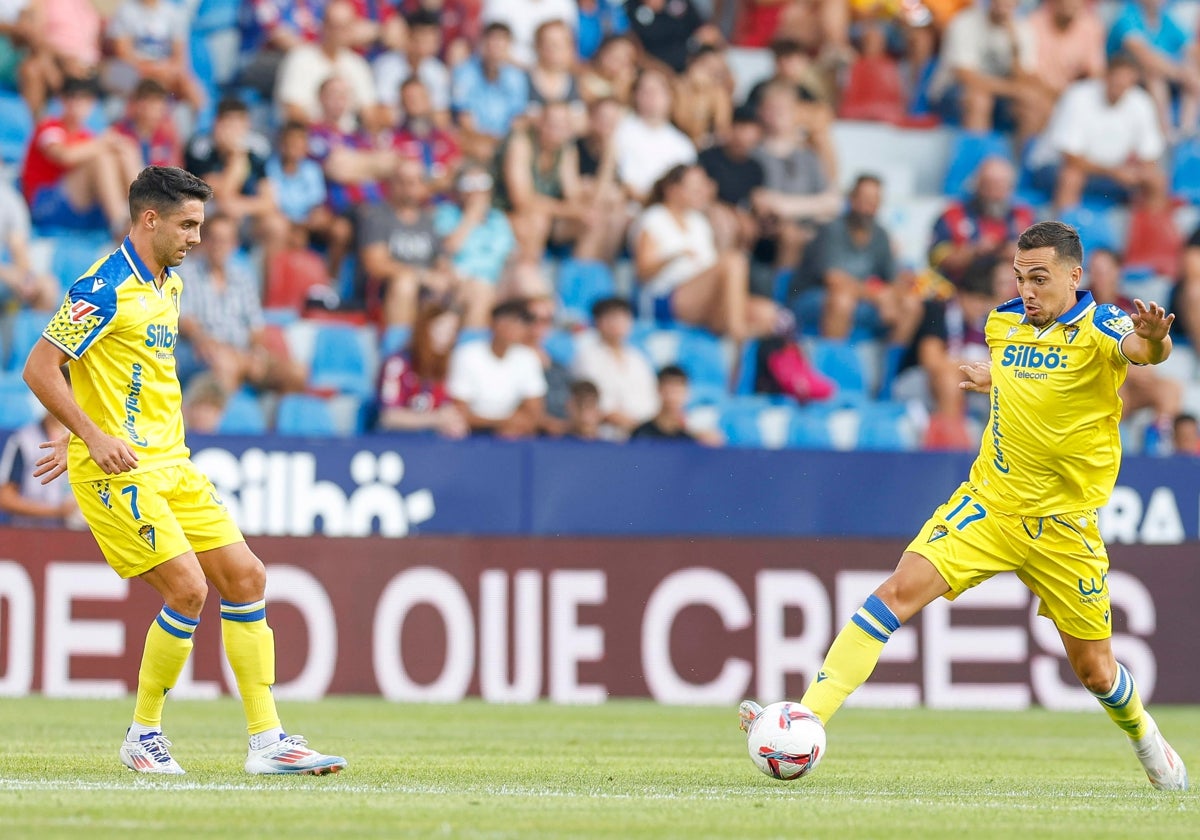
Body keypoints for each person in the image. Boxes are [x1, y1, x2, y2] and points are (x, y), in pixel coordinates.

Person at [741, 221, 1188, 792]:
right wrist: (996, 376)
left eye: (1041, 278)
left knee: (1095, 672)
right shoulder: (1003, 322)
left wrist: (1154, 338)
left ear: (1075, 278)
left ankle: (1146, 739)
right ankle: (804, 721)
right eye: (1021, 277)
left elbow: (1142, 351)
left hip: (1064, 526)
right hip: (989, 504)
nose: (1028, 290)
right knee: (894, 594)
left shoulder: (1102, 324)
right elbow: (1031, 372)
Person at [22, 165, 346, 775]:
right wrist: (90, 436)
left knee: (247, 578)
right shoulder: (102, 287)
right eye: (187, 224)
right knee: (189, 589)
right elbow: (40, 367)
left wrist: (87, 428)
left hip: (172, 461)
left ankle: (268, 742)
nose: (197, 237)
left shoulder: (167, 282)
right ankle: (142, 735)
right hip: (120, 472)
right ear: (149, 219)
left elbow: (120, 378)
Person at [632, 164, 783, 341]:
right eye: (695, 189)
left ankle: (740, 355)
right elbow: (643, 273)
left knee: (767, 313)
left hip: (704, 298)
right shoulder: (654, 218)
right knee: (734, 261)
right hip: (667, 298)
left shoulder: (698, 222)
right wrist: (675, 256)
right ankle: (737, 332)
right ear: (672, 190)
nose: (702, 193)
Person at [175, 213, 308, 394]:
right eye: (214, 239)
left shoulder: (243, 278)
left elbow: (256, 325)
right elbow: (185, 320)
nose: (218, 246)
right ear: (203, 241)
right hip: (204, 352)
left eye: (225, 241)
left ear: (234, 244)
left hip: (244, 353)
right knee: (225, 364)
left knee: (296, 372)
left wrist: (256, 351)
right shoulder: (187, 273)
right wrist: (206, 341)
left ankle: (278, 419)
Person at [21, 76, 143, 238]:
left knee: (124, 150)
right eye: (71, 97)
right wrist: (105, 142)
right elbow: (64, 156)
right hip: (45, 206)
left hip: (77, 206)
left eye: (83, 99)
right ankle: (119, 225)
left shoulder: (87, 137)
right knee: (102, 157)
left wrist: (115, 145)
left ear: (91, 104)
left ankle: (144, 212)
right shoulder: (49, 127)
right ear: (61, 101)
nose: (76, 104)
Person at [446, 298, 547, 437]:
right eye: (509, 320)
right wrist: (504, 423)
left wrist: (512, 425)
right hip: (470, 436)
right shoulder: (467, 355)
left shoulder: (528, 358)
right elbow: (459, 412)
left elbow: (534, 411)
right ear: (493, 323)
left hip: (511, 436)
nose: (514, 327)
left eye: (521, 322)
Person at [929, 156, 1035, 287]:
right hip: (961, 288)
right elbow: (937, 259)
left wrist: (1017, 253)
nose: (994, 192)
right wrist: (974, 251)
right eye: (989, 184)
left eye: (1001, 185)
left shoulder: (1025, 217)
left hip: (1012, 291)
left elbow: (1044, 259)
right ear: (977, 185)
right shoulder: (953, 216)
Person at [375, 300, 469, 437]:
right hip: (396, 442)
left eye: (452, 331)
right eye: (440, 328)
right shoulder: (397, 364)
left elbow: (446, 406)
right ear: (424, 328)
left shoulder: (447, 367)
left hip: (431, 444)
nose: (446, 337)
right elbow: (389, 417)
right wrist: (435, 419)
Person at [571, 296, 659, 437]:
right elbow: (590, 401)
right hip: (604, 435)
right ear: (598, 322)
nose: (616, 323)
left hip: (642, 436)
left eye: (622, 317)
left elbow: (651, 401)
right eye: (610, 317)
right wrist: (627, 423)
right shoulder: (587, 356)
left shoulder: (638, 359)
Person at [0, 405, 77, 528]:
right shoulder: (23, 440)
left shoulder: (83, 440)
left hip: (77, 535)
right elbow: (5, 498)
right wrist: (57, 512)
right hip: (29, 534)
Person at [631, 364, 720, 444]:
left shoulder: (690, 439)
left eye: (677, 391)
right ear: (658, 389)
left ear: (686, 393)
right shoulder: (641, 434)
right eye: (668, 390)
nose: (672, 397)